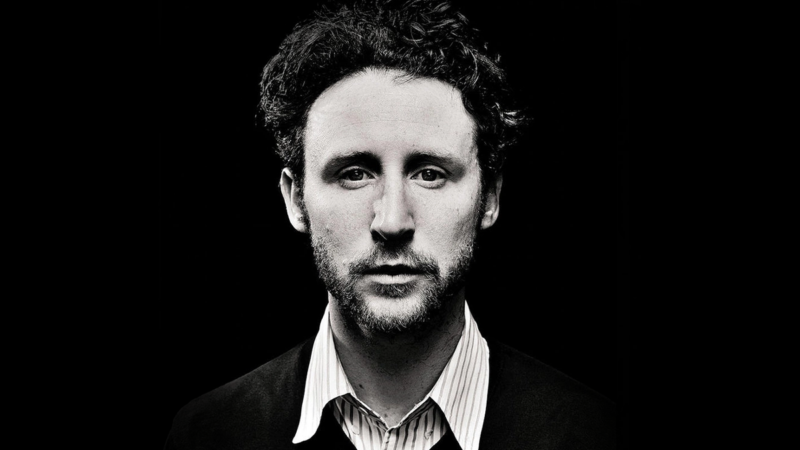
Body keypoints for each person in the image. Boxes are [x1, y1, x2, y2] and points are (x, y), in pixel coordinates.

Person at [165, 1, 615, 449]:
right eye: (354, 174)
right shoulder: (209, 436)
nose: (393, 221)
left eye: (430, 174)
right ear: (295, 199)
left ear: (490, 197)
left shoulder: (594, 435)